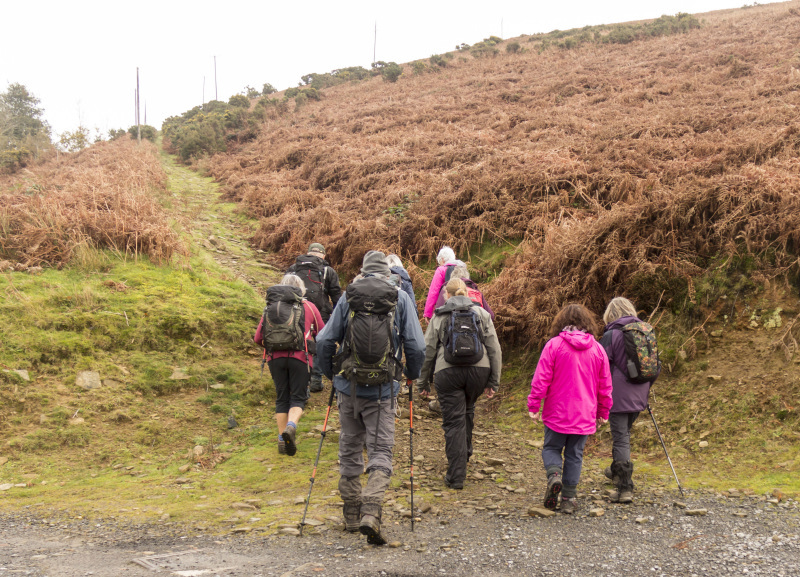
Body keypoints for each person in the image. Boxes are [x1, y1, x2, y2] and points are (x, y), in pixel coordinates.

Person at [316, 251, 425, 545]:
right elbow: (416, 345)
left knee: (350, 448)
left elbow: (324, 340)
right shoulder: (399, 297)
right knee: (381, 451)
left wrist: (332, 375)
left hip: (348, 388)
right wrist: (410, 376)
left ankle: (352, 513)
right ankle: (371, 511)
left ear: (362, 272)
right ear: (388, 273)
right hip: (383, 390)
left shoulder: (349, 297)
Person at [527, 304, 612, 514]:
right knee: (575, 454)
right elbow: (605, 385)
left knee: (551, 448)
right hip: (585, 413)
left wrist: (534, 405)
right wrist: (603, 412)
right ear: (588, 323)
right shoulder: (598, 349)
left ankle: (554, 476)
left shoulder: (554, 345)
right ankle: (568, 498)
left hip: (557, 411)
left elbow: (541, 379)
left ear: (561, 322)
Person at [418, 278, 502, 490]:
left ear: (447, 294)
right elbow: (494, 349)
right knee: (468, 410)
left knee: (454, 421)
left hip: (448, 371)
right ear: (467, 293)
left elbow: (428, 351)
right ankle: (464, 454)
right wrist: (494, 380)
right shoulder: (482, 314)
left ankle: (456, 475)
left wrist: (423, 383)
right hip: (479, 370)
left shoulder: (440, 315)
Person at [253, 274, 324, 456]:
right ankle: (291, 427)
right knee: (298, 397)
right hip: (300, 357)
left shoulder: (271, 307)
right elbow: (323, 333)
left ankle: (281, 440)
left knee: (282, 397)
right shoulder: (308, 306)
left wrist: (273, 348)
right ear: (301, 289)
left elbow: (258, 338)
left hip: (274, 359)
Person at [599, 297, 658, 504]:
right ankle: (616, 470)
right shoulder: (646, 331)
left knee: (621, 437)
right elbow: (654, 367)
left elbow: (600, 366)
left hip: (618, 395)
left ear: (611, 314)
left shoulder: (611, 334)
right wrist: (645, 389)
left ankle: (625, 487)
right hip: (640, 392)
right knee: (624, 434)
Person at [287, 242, 342, 392]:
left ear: (308, 253)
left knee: (297, 341)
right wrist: (339, 316)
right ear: (323, 255)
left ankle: (296, 378)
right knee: (318, 343)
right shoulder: (328, 271)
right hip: (320, 312)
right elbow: (336, 295)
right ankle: (316, 380)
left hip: (295, 311)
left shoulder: (294, 268)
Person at [422, 246, 466, 320]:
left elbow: (433, 292)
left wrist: (428, 313)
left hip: (446, 310)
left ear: (442, 260)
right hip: (464, 307)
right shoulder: (462, 268)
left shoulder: (441, 270)